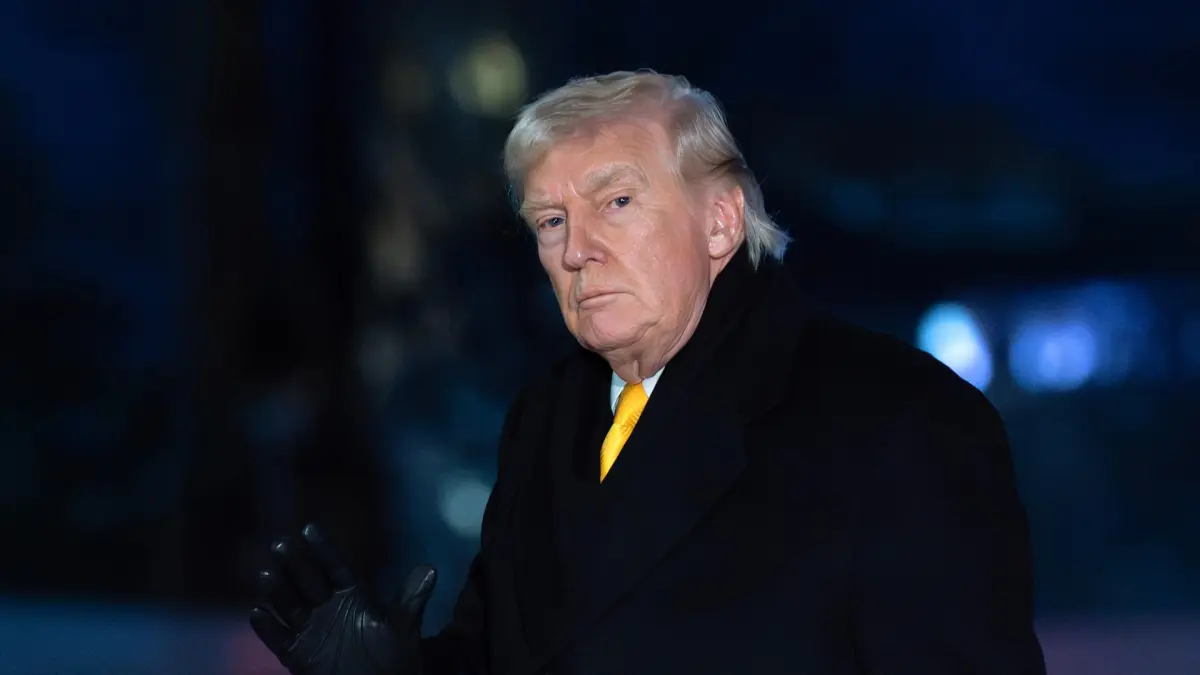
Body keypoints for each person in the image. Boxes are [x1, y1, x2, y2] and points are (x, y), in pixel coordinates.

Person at [249, 70, 1047, 675]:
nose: (576, 250)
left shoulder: (899, 417)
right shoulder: (548, 418)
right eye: (551, 220)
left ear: (721, 221)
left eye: (617, 203)